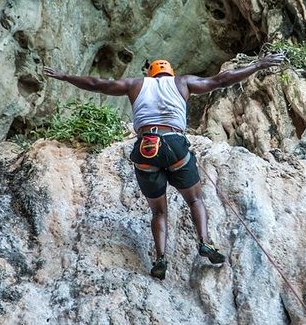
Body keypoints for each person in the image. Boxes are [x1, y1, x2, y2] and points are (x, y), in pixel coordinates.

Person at [43, 52, 285, 279]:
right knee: (195, 200)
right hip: (174, 145)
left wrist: (64, 76)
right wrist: (258, 64)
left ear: (150, 74)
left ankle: (160, 259)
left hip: (145, 148)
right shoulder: (183, 82)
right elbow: (220, 81)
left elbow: (97, 84)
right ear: (170, 72)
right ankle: (204, 242)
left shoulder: (135, 85)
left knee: (159, 211)